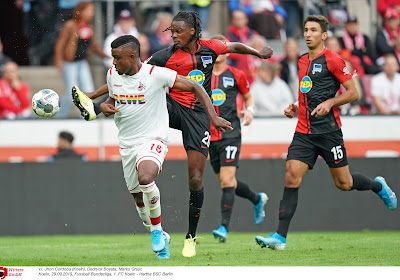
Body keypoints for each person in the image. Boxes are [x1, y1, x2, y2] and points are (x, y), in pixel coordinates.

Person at [71, 11, 273, 258]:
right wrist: (93, 97)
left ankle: (190, 237)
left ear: (192, 32)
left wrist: (258, 53)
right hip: (172, 109)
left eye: (178, 31)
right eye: (171, 31)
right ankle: (132, 137)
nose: (173, 35)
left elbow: (233, 46)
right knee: (148, 95)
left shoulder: (211, 48)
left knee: (196, 179)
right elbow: (133, 75)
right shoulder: (164, 56)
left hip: (198, 117)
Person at [255, 15, 397, 251]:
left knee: (344, 183)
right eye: (306, 30)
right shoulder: (301, 61)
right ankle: (280, 237)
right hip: (304, 132)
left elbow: (354, 93)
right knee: (291, 175)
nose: (308, 34)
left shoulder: (334, 60)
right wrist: (295, 106)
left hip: (329, 132)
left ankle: (377, 186)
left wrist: (331, 102)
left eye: (313, 30)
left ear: (324, 35)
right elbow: (307, 95)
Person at [91, 35, 231, 259]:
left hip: (153, 138)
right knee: (139, 199)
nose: (113, 63)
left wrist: (213, 117)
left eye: (117, 58)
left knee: (146, 178)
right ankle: (160, 234)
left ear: (132, 57)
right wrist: (104, 107)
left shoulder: (156, 75)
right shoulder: (112, 75)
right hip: (127, 144)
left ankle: (156, 232)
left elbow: (195, 85)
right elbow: (112, 100)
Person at [208, 35, 268, 242]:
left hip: (231, 134)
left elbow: (249, 97)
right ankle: (257, 198)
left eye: (222, 48)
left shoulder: (236, 74)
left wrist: (249, 110)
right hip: (209, 137)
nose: (218, 52)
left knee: (226, 180)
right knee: (228, 181)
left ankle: (224, 228)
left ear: (228, 51)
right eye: (214, 48)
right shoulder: (199, 76)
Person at [54, 1, 108, 118]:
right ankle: (60, 116)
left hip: (82, 62)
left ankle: (84, 114)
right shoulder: (70, 25)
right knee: (70, 92)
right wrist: (58, 60)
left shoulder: (88, 27)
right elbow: (60, 44)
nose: (91, 13)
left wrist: (106, 55)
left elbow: (93, 46)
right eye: (89, 10)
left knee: (88, 89)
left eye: (92, 11)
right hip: (70, 63)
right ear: (80, 11)